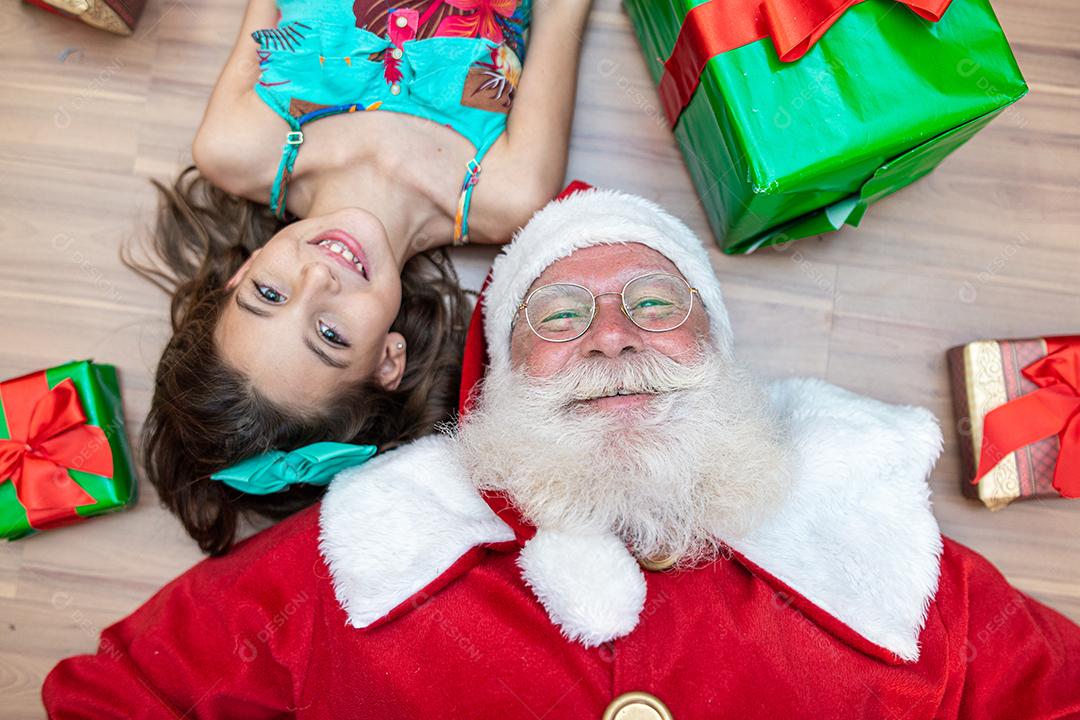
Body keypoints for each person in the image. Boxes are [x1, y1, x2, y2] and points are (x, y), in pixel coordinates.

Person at [44, 185, 1080, 718]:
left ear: (719, 349)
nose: (614, 336)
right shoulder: (368, 554)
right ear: (503, 386)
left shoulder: (882, 560)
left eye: (656, 302)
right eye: (561, 314)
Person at [132, 0, 593, 553]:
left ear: (242, 271)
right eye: (330, 334)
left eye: (271, 293)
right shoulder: (507, 191)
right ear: (388, 360)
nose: (319, 280)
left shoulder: (236, 147)